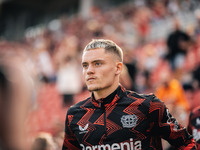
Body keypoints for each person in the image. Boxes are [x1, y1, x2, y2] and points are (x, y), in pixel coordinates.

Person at [62, 39, 196, 149]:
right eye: (85, 65)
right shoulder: (74, 115)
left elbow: (186, 144)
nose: (89, 71)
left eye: (97, 64)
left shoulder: (147, 105)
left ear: (118, 68)